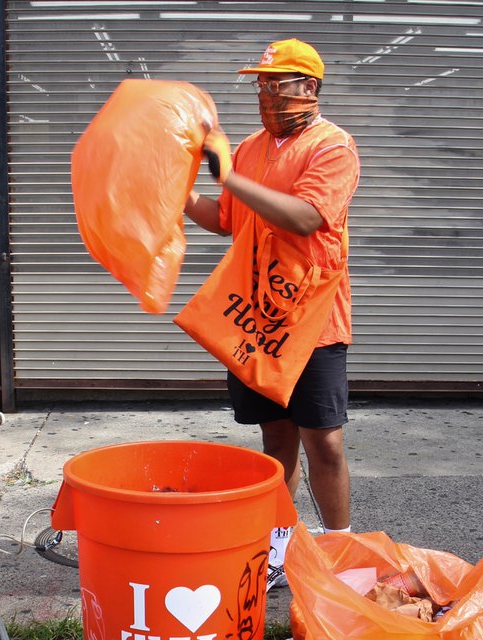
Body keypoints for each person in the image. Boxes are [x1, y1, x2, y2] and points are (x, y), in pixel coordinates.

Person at [183, 38, 360, 589]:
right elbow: (227, 219)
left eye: (276, 82)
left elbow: (306, 218)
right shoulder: (252, 147)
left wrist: (228, 175)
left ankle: (339, 550)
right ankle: (279, 549)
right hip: (255, 318)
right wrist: (177, 191)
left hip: (314, 320)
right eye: (260, 82)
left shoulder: (333, 148)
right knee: (275, 440)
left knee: (323, 440)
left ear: (308, 87)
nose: (265, 92)